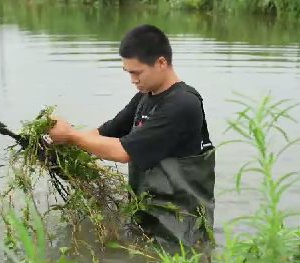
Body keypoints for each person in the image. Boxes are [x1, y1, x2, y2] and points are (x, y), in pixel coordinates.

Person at [49, 24, 215, 247]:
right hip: (147, 216)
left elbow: (122, 151)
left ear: (161, 63)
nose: (133, 80)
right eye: (128, 73)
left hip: (181, 230)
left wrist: (71, 136)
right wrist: (62, 144)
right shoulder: (146, 96)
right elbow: (108, 131)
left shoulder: (183, 104)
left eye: (137, 73)